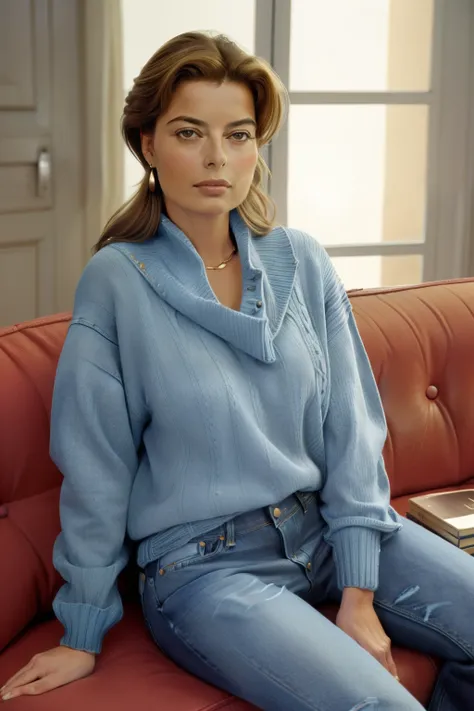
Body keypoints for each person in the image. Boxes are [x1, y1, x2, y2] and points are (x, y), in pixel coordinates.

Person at [1, 31, 472, 711]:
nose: (218, 157)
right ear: (148, 143)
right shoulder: (116, 283)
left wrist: (360, 593)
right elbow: (96, 468)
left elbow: (352, 430)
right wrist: (81, 630)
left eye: (240, 134)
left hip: (327, 533)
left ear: (258, 147)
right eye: (190, 132)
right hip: (204, 569)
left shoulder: (302, 261)